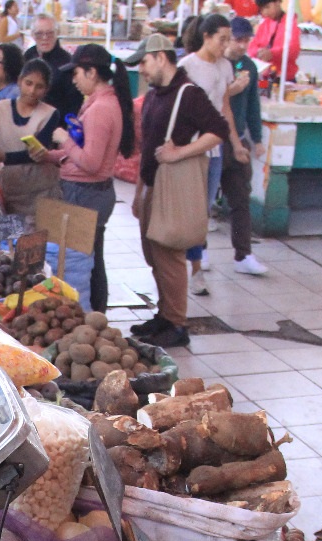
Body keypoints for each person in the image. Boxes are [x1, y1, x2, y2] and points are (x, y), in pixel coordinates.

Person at [125, 33, 231, 349]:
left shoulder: (188, 93)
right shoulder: (156, 95)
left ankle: (177, 323)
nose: (141, 70)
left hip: (172, 189)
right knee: (154, 255)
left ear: (160, 56)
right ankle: (164, 314)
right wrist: (139, 190)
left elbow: (219, 130)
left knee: (169, 255)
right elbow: (147, 147)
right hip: (152, 185)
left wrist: (181, 152)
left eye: (143, 62)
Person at [36, 44, 136, 312]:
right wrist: (51, 155)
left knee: (87, 264)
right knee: (89, 260)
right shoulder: (97, 103)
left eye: (77, 73)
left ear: (92, 73)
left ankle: (94, 317)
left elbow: (91, 163)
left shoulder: (102, 108)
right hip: (86, 191)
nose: (74, 79)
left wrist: (64, 140)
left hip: (87, 193)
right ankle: (93, 316)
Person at [179, 13, 249, 296]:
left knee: (202, 211)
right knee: (188, 210)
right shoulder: (187, 66)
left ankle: (195, 268)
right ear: (206, 37)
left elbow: (225, 109)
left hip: (216, 150)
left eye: (227, 40)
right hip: (191, 148)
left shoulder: (225, 67)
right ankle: (186, 266)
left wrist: (236, 143)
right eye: (221, 39)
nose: (225, 45)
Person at [0, 58, 65, 220]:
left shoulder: (50, 114)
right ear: (20, 81)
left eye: (39, 87)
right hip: (11, 187)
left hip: (41, 189)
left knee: (37, 238)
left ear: (46, 90)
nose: (32, 90)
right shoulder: (0, 108)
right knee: (10, 240)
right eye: (28, 83)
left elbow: (35, 154)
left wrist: (3, 157)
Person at [221, 17, 267, 276]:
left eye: (246, 40)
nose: (242, 45)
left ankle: (243, 254)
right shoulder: (215, 64)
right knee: (203, 198)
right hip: (213, 140)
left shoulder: (248, 66)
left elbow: (252, 106)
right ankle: (199, 251)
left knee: (241, 199)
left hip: (239, 139)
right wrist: (233, 89)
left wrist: (257, 138)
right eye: (238, 39)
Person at [25, 16, 84, 114]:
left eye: (50, 33)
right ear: (32, 35)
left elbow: (75, 100)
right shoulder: (28, 55)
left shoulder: (67, 62)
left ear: (57, 33)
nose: (45, 38)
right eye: (39, 34)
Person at [251, 0, 300, 80]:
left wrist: (272, 53)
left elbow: (294, 50)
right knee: (263, 91)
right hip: (264, 77)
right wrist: (258, 52)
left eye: (267, 7)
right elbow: (252, 47)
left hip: (284, 78)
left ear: (278, 2)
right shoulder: (264, 24)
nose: (265, 12)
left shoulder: (290, 23)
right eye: (262, 9)